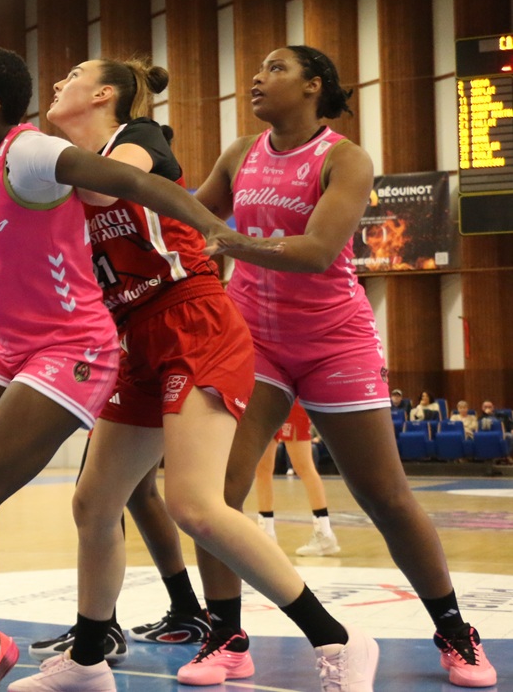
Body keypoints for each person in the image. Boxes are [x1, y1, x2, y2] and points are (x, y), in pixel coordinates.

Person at [0, 44, 267, 692]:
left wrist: (213, 224)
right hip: (9, 345)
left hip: (73, 347)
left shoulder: (30, 152)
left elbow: (135, 182)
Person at [188, 45, 491, 687]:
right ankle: (226, 633)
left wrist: (233, 242)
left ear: (313, 85)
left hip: (334, 341)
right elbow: (192, 214)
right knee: (216, 494)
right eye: (258, 67)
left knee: (384, 494)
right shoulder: (240, 152)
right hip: (252, 340)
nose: (256, 77)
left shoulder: (346, 158)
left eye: (274, 68)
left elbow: (319, 251)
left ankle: (454, 629)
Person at [255, 402, 340, 558]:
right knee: (262, 468)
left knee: (303, 466)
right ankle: (266, 534)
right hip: (265, 401)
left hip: (289, 400)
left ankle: (324, 533)